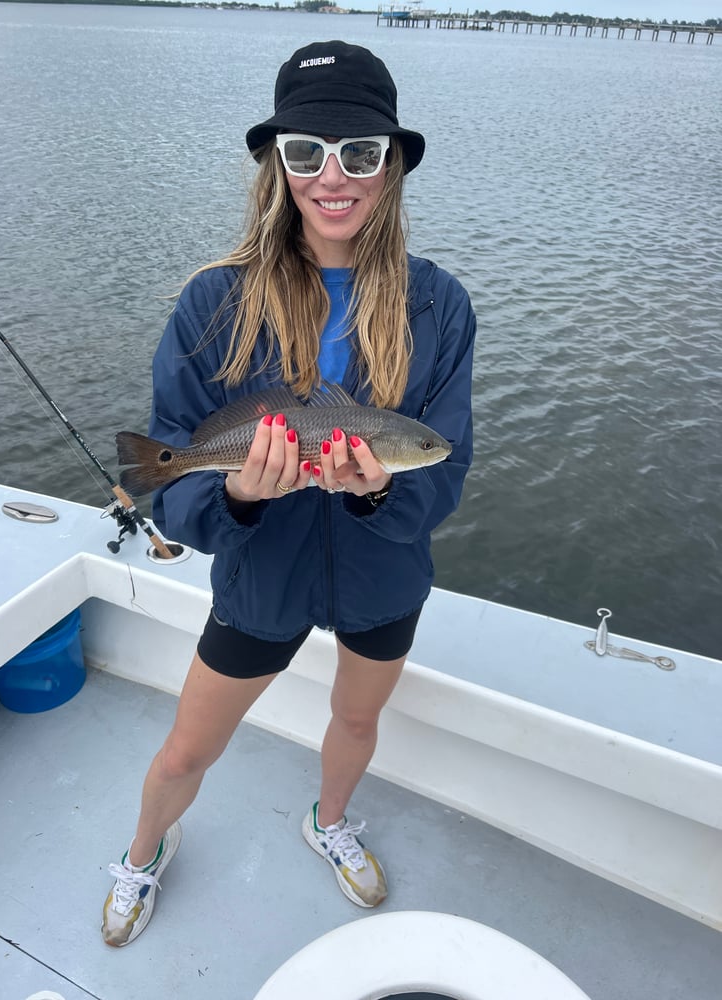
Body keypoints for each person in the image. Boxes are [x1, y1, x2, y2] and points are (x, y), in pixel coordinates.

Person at [101, 39, 476, 947]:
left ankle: (329, 820)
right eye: (305, 152)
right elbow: (176, 500)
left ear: (393, 164)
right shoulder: (212, 303)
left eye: (361, 153)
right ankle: (143, 852)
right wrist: (235, 498)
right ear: (277, 164)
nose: (332, 176)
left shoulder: (441, 306)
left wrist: (376, 496)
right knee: (189, 747)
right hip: (260, 582)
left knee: (355, 717)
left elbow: (447, 469)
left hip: (383, 580)